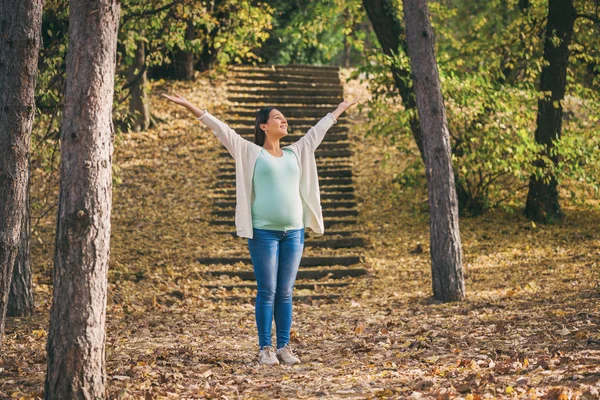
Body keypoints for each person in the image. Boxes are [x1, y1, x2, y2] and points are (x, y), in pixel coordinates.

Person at [162, 91, 358, 365]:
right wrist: (189, 105)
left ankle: (284, 348)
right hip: (263, 233)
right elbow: (221, 129)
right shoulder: (249, 152)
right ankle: (265, 348)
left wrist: (340, 109)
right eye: (277, 117)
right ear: (263, 126)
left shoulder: (296, 151)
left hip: (294, 232)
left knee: (286, 291)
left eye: (284, 117)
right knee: (268, 290)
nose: (283, 120)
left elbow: (318, 131)